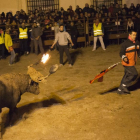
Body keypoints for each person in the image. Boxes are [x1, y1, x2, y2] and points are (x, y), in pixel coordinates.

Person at [118, 30, 140, 94]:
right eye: (133, 35)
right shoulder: (125, 43)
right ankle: (124, 85)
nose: (135, 36)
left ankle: (120, 90)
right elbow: (121, 53)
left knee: (126, 75)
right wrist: (124, 57)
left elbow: (138, 51)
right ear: (129, 35)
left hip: (133, 62)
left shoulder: (137, 42)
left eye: (135, 35)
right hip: (127, 63)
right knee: (134, 74)